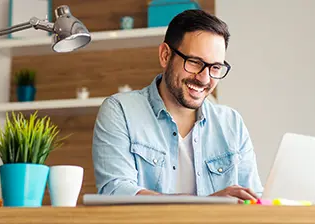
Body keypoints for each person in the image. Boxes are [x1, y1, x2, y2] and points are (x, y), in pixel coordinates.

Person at [92, 9, 263, 203]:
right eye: (194, 62)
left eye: (215, 67)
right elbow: (116, 191)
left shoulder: (232, 123)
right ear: (165, 55)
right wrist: (207, 204)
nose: (204, 78)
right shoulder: (120, 111)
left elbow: (254, 200)